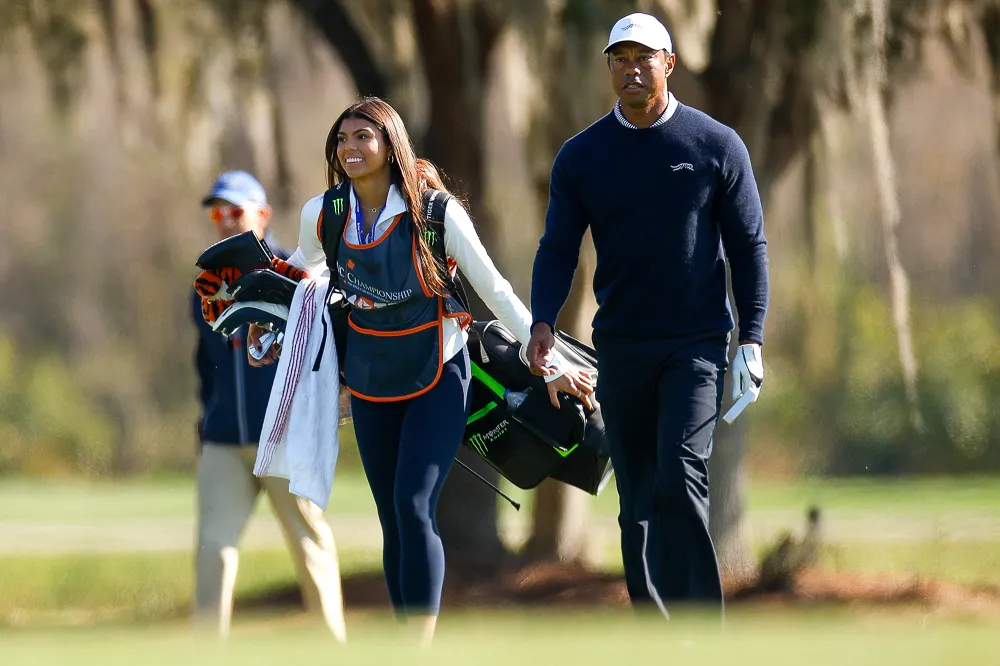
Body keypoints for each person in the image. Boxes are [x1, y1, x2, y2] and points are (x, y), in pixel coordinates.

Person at [247, 97, 594, 647]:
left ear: (391, 146)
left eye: (364, 137)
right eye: (342, 139)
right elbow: (303, 272)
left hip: (439, 375)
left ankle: (419, 647)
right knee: (391, 516)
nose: (350, 147)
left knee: (413, 505)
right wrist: (262, 318)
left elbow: (496, 290)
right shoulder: (324, 214)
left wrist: (548, 363)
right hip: (369, 380)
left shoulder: (437, 214)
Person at [526, 13, 769, 620]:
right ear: (609, 67)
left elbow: (748, 248)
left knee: (680, 473)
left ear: (669, 64)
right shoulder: (582, 156)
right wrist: (542, 322)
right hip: (620, 345)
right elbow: (558, 248)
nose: (631, 69)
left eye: (644, 58)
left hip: (697, 343)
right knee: (635, 495)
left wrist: (752, 337)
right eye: (620, 59)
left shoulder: (716, 145)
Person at [192, 170, 347, 641]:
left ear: (262, 215)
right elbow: (205, 363)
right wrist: (205, 420)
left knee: (309, 543)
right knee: (214, 547)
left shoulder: (295, 273)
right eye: (217, 214)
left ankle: (334, 647)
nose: (225, 221)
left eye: (234, 211)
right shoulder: (206, 285)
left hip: (282, 437)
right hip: (224, 439)